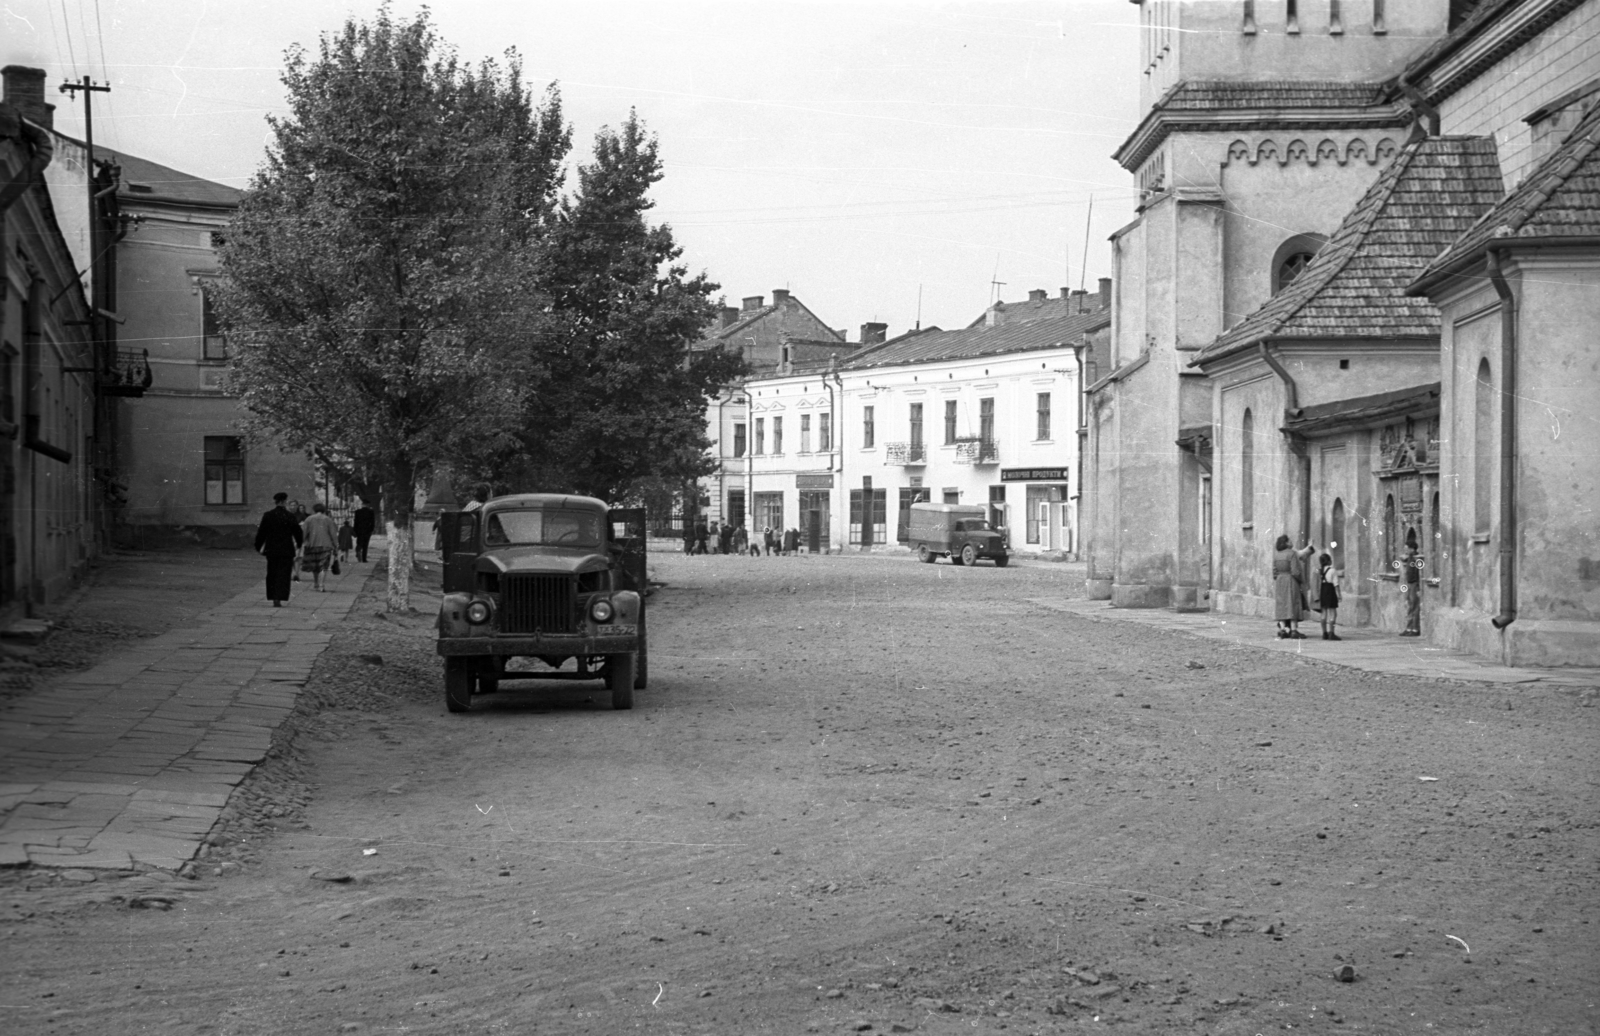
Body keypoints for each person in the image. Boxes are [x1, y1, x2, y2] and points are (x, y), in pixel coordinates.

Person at [254, 492, 304, 607]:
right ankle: (280, 596)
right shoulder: (290, 516)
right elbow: (297, 532)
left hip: (272, 549)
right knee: (284, 574)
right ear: (285, 501)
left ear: (276, 501)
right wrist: (300, 543)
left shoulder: (268, 515)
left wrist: (258, 546)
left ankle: (273, 596)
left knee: (272, 573)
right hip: (286, 549)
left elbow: (262, 533)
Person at [1272, 533, 1316, 640]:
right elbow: (1295, 571)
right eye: (1290, 540)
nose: (1292, 542)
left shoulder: (1276, 555)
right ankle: (1293, 630)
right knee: (1293, 604)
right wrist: (1301, 580)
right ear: (1286, 543)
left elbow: (1274, 572)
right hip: (1291, 581)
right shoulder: (1291, 554)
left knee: (1282, 605)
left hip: (1280, 581)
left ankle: (1282, 630)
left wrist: (1279, 578)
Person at [300, 502, 340, 592]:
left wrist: (301, 543)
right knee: (323, 566)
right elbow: (333, 535)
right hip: (326, 545)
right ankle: (321, 585)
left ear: (314, 510)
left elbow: (303, 533)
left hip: (312, 545)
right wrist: (336, 546)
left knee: (315, 566)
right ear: (323, 510)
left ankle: (316, 584)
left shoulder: (309, 519)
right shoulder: (328, 520)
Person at [1400, 534, 1423, 637]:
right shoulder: (1409, 558)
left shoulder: (1416, 559)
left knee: (1415, 606)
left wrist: (1418, 587)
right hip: (1409, 584)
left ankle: (1415, 628)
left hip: (1414, 584)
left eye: (1407, 549)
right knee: (1409, 606)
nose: (1405, 551)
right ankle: (1409, 627)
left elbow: (1419, 574)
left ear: (1412, 549)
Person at [1317, 552, 1342, 641]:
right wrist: (1339, 595)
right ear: (1328, 561)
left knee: (1323, 613)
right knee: (1332, 613)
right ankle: (1331, 633)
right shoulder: (1332, 570)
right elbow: (1336, 584)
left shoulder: (1320, 571)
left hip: (1323, 591)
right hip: (1330, 591)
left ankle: (1324, 633)